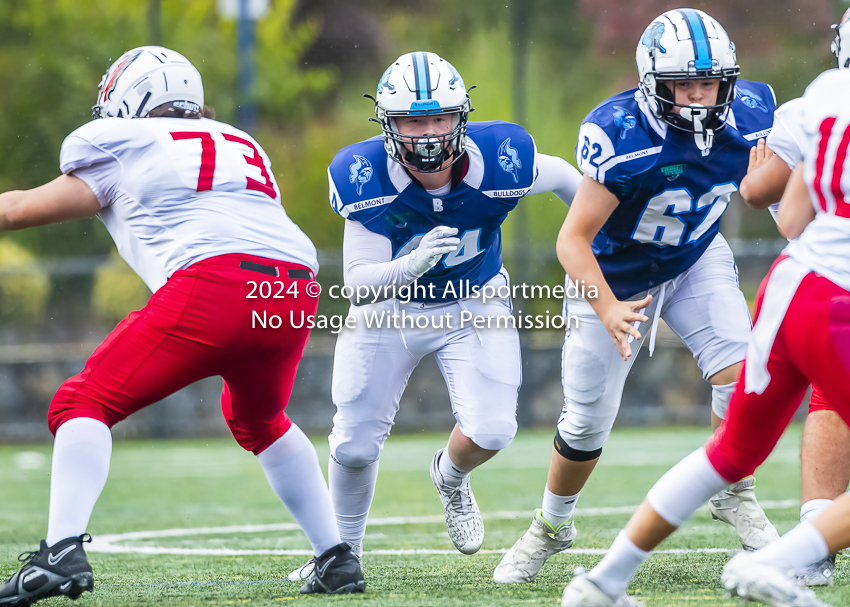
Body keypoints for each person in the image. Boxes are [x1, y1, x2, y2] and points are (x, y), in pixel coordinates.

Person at [0, 46, 364, 604]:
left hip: (216, 283)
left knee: (80, 403)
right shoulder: (241, 142)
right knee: (260, 419)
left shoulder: (125, 144)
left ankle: (60, 552)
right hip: (292, 289)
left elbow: (18, 209)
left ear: (130, 97)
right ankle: (336, 557)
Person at [495, 8, 779, 585]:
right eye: (684, 84)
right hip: (614, 275)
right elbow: (571, 240)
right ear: (652, 83)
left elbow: (776, 193)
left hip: (695, 255)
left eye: (710, 82)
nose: (699, 97)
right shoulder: (620, 134)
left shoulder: (755, 114)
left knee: (741, 370)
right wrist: (606, 306)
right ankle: (552, 526)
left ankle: (734, 490)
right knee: (585, 424)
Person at [561, 65, 850, 607]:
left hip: (792, 288)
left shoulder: (824, 95)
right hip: (838, 303)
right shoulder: (623, 132)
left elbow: (786, 216)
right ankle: (778, 563)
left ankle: (601, 583)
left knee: (731, 452)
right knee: (593, 418)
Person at [289, 50, 582, 581]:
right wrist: (409, 264)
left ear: (460, 118)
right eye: (411, 120)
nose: (427, 134)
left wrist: (598, 236)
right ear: (387, 125)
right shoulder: (363, 175)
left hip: (475, 300)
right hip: (389, 310)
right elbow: (358, 285)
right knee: (353, 445)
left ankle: (449, 476)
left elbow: (566, 178)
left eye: (439, 118)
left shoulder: (501, 157)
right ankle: (337, 557)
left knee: (493, 430)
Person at [734, 8, 850, 587]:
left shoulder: (816, 104)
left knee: (826, 398)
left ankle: (810, 547)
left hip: (829, 281)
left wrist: (757, 182)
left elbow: (771, 204)